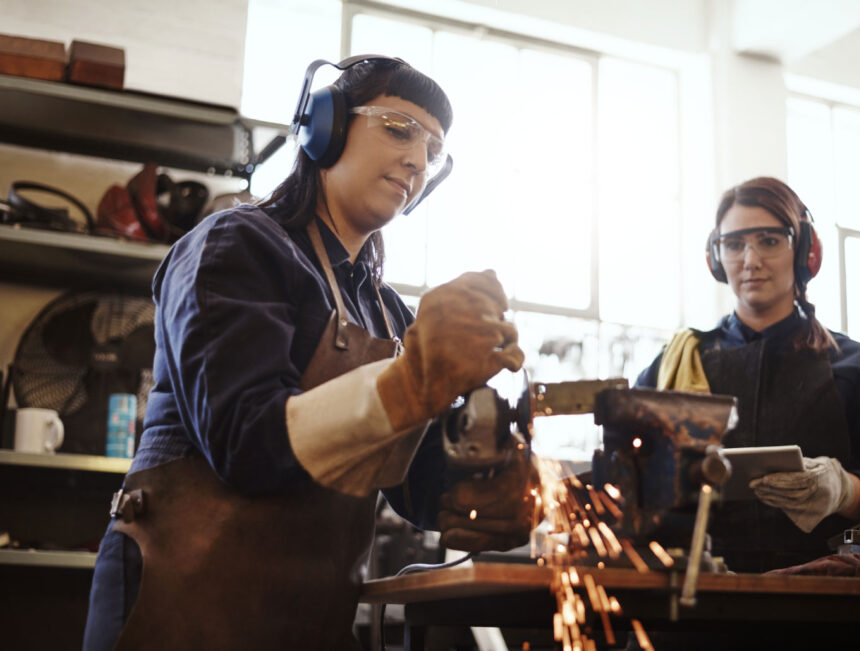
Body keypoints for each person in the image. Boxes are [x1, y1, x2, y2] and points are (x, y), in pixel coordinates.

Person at [83, 55, 534, 651]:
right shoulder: (234, 247)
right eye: (400, 129)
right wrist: (410, 380)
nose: (418, 161)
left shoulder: (388, 315)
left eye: (434, 151)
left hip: (311, 618)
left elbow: (419, 489)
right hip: (183, 597)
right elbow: (245, 444)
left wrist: (496, 481)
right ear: (327, 127)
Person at [636, 176, 860, 573]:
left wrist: (845, 490)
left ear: (804, 250)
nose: (750, 259)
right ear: (715, 257)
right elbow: (629, 482)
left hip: (824, 602)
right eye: (734, 244)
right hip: (696, 598)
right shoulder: (671, 368)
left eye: (769, 241)